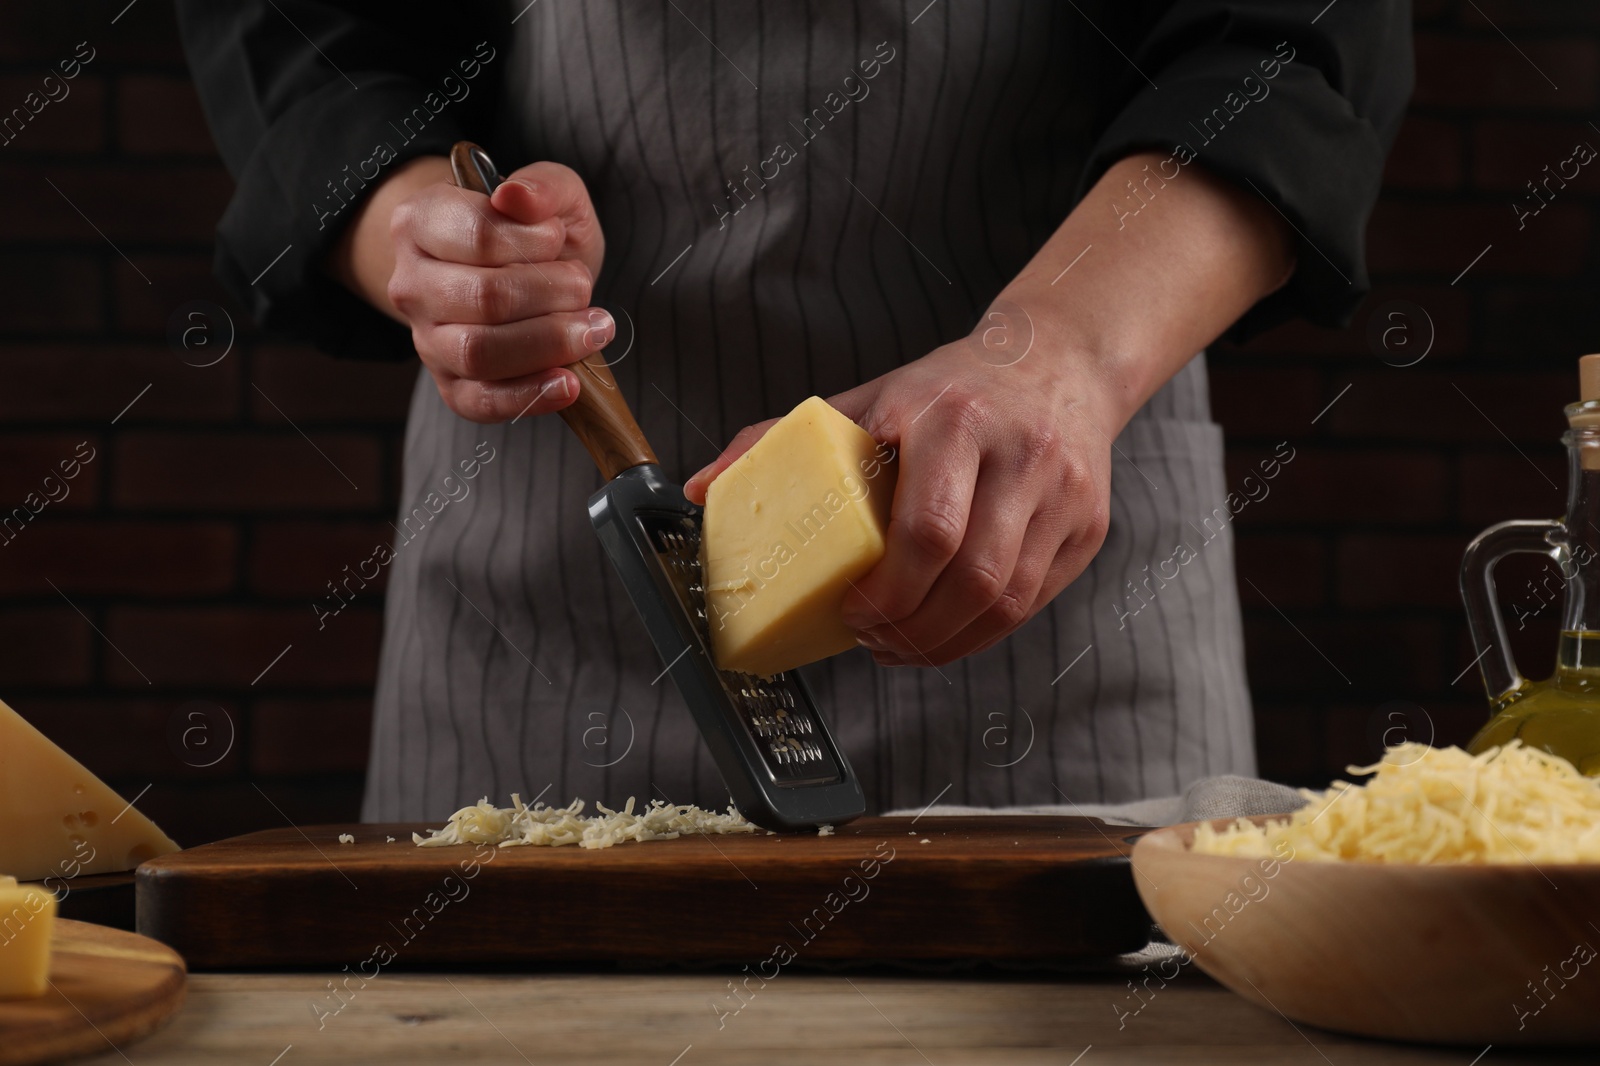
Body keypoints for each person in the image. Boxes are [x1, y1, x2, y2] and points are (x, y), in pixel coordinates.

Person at [177, 1, 1412, 821]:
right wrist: (426, 235)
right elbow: (307, 42)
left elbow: (1283, 51)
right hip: (540, 626)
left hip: (1053, 618)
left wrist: (1059, 358)